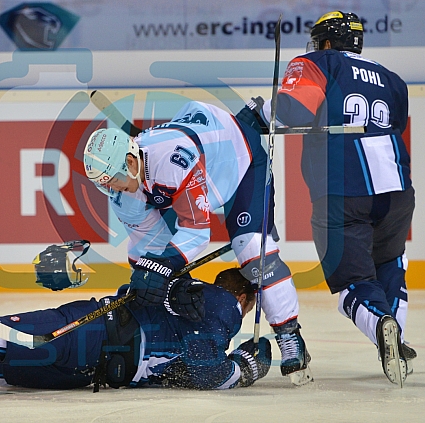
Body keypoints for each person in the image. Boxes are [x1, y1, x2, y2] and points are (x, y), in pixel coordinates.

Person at [83, 99, 311, 383]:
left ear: (130, 162)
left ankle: (290, 336)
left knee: (252, 249)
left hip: (240, 163)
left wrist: (166, 265)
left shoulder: (173, 160)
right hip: (202, 159)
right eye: (103, 184)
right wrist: (163, 286)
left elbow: (197, 229)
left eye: (112, 179)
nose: (111, 189)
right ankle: (253, 114)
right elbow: (150, 246)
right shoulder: (122, 195)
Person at [254, 11, 416, 385]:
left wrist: (257, 114)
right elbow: (395, 125)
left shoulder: (317, 62)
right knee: (390, 260)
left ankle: (380, 324)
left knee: (351, 282)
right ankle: (396, 333)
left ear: (326, 42)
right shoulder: (393, 80)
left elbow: (292, 111)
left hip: (341, 191)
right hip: (397, 191)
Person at [0, 267, 271, 390]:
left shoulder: (192, 308)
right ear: (242, 297)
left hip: (96, 366)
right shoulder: (223, 303)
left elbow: (195, 363)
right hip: (96, 335)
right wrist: (249, 363)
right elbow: (209, 373)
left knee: (1, 372)